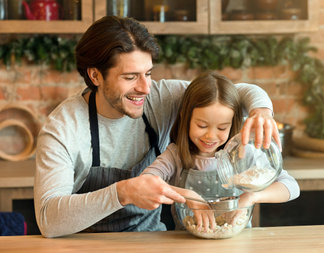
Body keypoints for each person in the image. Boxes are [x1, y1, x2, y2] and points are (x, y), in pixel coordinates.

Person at [34, 16, 281, 238]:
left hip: (152, 240)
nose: (145, 88)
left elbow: (233, 92)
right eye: (130, 77)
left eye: (148, 73)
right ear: (95, 76)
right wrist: (124, 192)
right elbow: (48, 219)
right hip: (87, 244)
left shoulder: (161, 97)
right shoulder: (63, 128)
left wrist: (261, 111)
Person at [141, 71, 300, 230]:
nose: (211, 136)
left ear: (233, 123)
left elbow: (291, 186)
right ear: (185, 117)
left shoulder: (243, 153)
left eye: (222, 128)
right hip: (187, 244)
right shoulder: (175, 155)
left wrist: (251, 197)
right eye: (202, 126)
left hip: (238, 244)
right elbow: (144, 183)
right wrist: (188, 196)